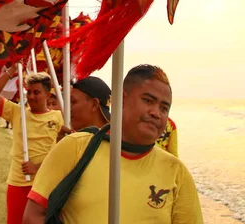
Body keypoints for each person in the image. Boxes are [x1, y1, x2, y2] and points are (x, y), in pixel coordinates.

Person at [23, 66, 203, 224]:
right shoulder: (75, 147)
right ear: (121, 100)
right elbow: (34, 215)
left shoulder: (176, 172)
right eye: (148, 101)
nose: (156, 113)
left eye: (164, 108)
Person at [0, 66, 63, 224]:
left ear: (48, 95)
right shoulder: (17, 112)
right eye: (29, 92)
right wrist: (11, 71)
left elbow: (62, 155)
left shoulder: (59, 117)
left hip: (46, 183)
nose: (32, 96)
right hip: (18, 182)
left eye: (37, 92)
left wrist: (37, 167)